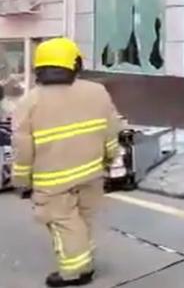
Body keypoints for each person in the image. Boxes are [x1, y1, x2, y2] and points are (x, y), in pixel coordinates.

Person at [12, 38, 123, 287]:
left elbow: (22, 148)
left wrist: (21, 180)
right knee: (84, 220)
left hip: (52, 181)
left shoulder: (29, 102)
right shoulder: (97, 92)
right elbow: (111, 130)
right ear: (76, 64)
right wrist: (109, 159)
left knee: (64, 224)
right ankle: (85, 262)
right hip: (92, 173)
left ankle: (74, 273)